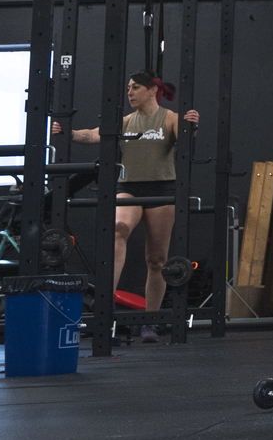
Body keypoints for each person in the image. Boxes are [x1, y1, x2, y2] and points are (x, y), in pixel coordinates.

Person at [56, 72, 198, 344]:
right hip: (129, 187)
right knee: (118, 229)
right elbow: (93, 135)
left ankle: (150, 322)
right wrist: (68, 133)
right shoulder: (124, 122)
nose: (130, 93)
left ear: (152, 90)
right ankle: (104, 305)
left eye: (135, 88)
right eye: (128, 88)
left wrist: (191, 125)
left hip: (163, 190)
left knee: (156, 260)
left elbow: (186, 140)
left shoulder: (169, 118)